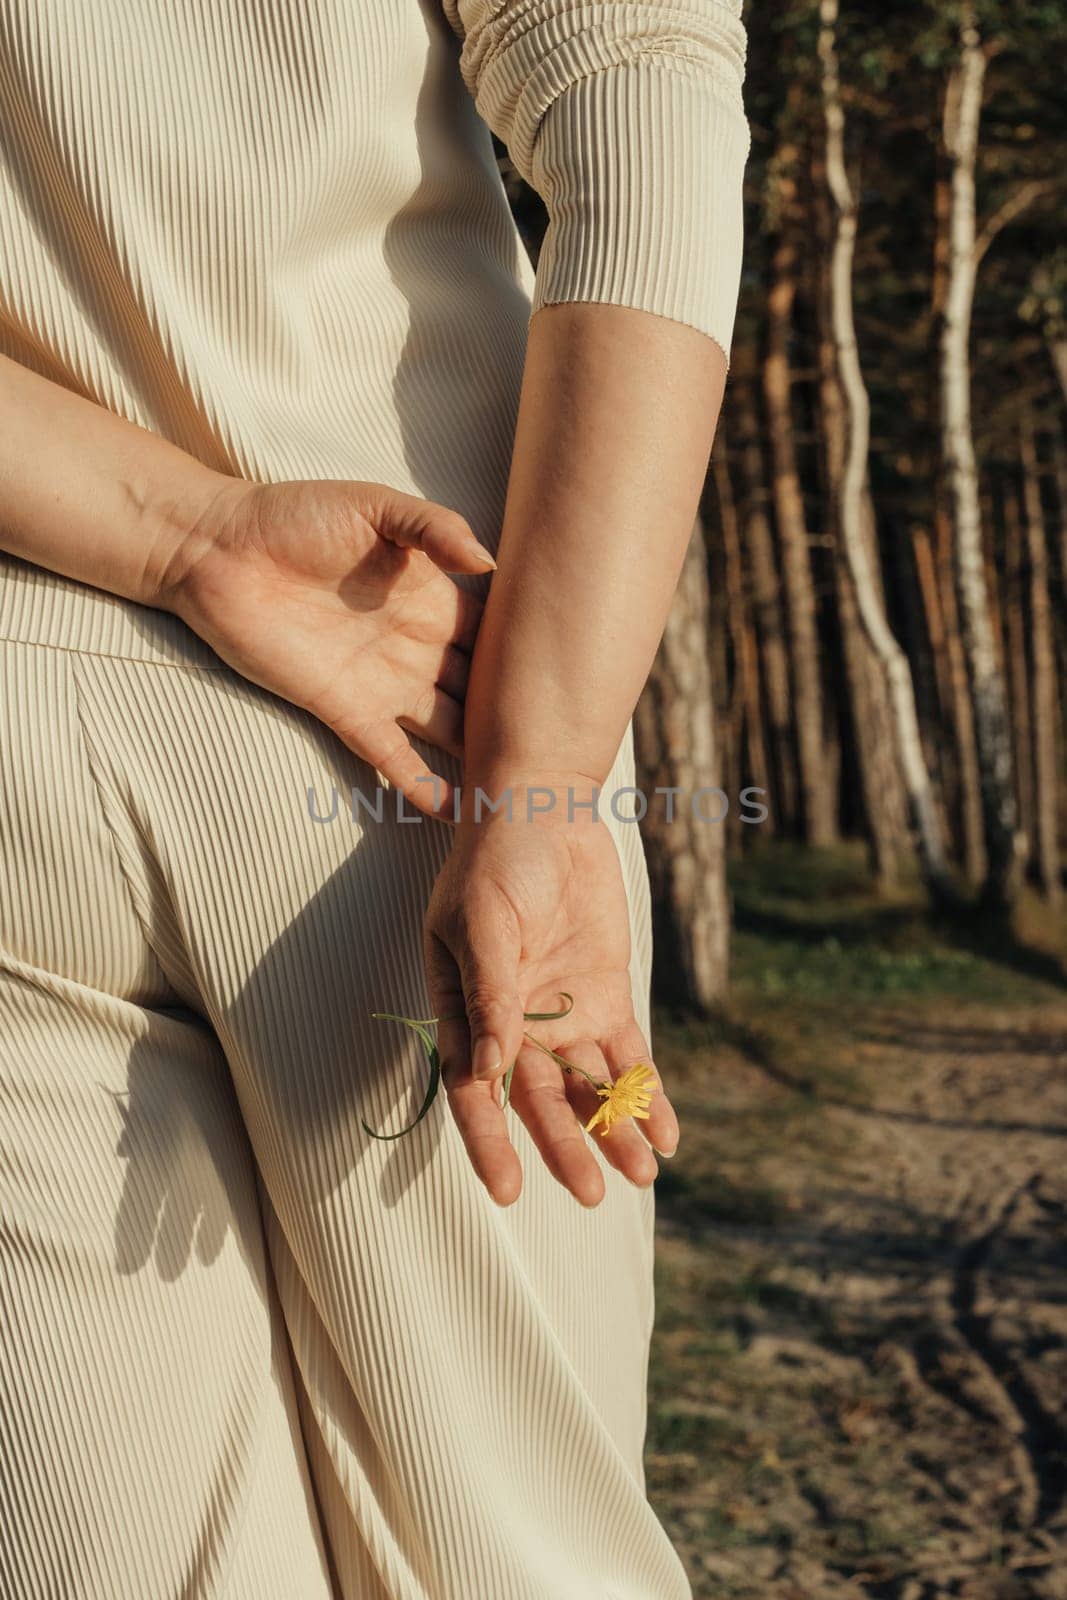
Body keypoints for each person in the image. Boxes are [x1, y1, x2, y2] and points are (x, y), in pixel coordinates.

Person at [0, 1, 749, 1595]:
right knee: (515, 1549)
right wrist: (540, 777)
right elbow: (639, 98)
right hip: (430, 720)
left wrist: (186, 535)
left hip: (23, 734)